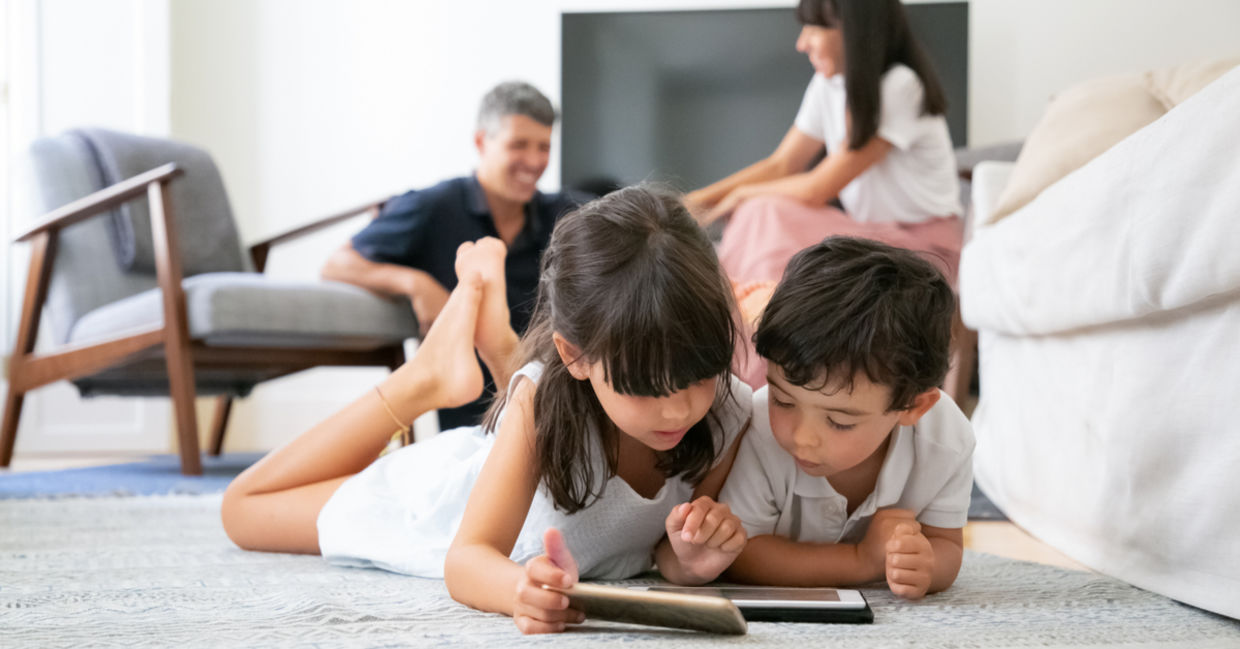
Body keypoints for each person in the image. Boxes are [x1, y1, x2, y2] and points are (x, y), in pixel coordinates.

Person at [222, 186, 753, 635]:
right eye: (646, 387)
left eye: (700, 374)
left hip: (527, 439)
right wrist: (517, 590)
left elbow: (663, 550)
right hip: (445, 505)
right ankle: (423, 380)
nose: (679, 408)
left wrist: (689, 560)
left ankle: (493, 335)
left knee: (538, 392)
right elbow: (466, 558)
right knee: (243, 509)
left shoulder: (729, 411)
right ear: (577, 357)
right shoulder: (542, 403)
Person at [718, 237, 974, 600]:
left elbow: (946, 544)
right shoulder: (757, 427)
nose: (802, 437)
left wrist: (926, 566)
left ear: (913, 408)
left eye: (840, 421)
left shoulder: (946, 441)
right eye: (783, 400)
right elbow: (740, 554)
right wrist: (860, 561)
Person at [322, 81, 588, 430]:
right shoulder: (432, 207)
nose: (535, 161)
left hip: (563, 398)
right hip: (475, 423)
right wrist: (415, 284)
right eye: (518, 145)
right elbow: (336, 265)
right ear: (481, 142)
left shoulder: (566, 214)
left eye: (544, 147)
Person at [686, 0, 963, 291]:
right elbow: (782, 165)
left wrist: (741, 194)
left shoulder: (901, 86)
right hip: (871, 236)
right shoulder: (828, 84)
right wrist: (696, 202)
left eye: (815, 28)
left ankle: (754, 320)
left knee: (762, 211)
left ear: (856, 32)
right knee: (756, 211)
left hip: (925, 250)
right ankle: (743, 314)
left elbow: (818, 189)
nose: (802, 43)